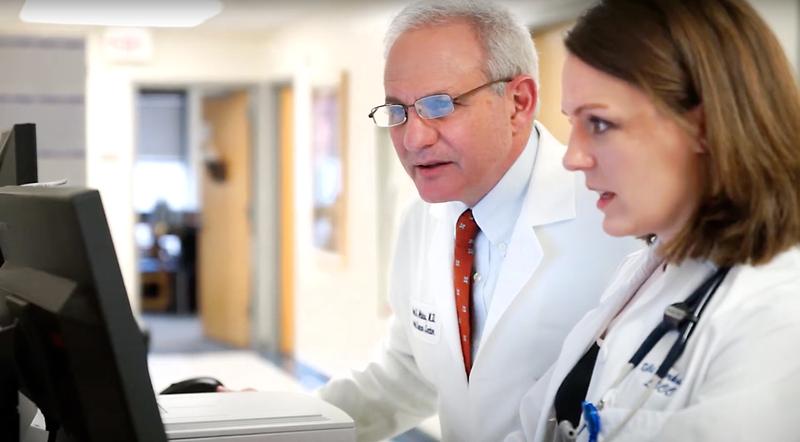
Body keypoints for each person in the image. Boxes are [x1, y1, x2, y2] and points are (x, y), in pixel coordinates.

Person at [317, 1, 638, 441]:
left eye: (439, 105)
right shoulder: (423, 221)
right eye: (398, 111)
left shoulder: (619, 220)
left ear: (518, 102)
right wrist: (281, 425)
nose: (413, 138)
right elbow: (410, 372)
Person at [509, 0, 800, 440]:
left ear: (703, 126)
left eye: (600, 124)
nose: (573, 157)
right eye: (572, 123)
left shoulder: (778, 317)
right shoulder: (648, 266)